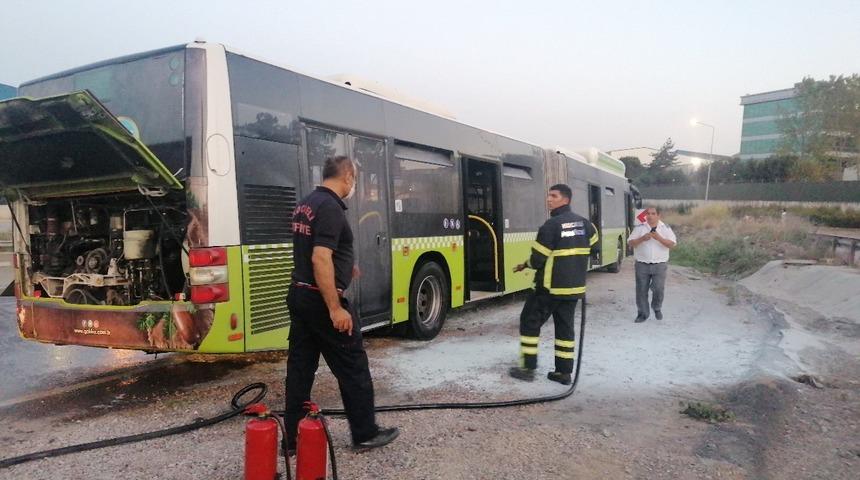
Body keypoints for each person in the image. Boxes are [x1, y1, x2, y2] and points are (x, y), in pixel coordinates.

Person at [284, 155, 399, 451]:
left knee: (300, 369)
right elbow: (319, 257)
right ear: (347, 175)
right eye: (355, 178)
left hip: (299, 294)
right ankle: (365, 433)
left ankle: (291, 440)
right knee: (353, 367)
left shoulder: (306, 204)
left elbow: (318, 254)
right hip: (321, 301)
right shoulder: (331, 208)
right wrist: (335, 308)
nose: (354, 185)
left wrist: (346, 268)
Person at [508, 184, 598, 385]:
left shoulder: (551, 226)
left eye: (553, 196)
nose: (549, 199)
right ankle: (564, 373)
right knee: (565, 330)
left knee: (529, 322)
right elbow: (595, 249)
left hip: (548, 288)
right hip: (574, 289)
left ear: (565, 200)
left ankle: (528, 368)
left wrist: (525, 265)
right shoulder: (586, 225)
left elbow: (538, 259)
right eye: (548, 195)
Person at [627, 206, 677, 323]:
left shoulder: (665, 228)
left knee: (658, 288)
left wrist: (659, 238)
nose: (650, 216)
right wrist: (642, 239)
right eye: (648, 213)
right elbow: (630, 243)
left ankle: (657, 307)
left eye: (653, 213)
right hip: (642, 264)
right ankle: (643, 314)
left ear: (658, 215)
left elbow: (672, 244)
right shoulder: (640, 228)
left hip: (659, 264)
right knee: (641, 290)